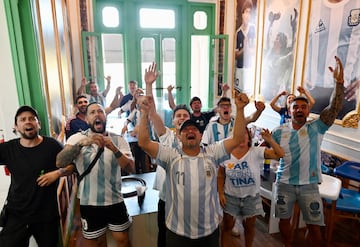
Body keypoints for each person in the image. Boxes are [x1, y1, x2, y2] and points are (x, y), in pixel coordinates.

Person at [138, 91, 249, 247]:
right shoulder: (171, 155)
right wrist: (144, 113)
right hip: (178, 231)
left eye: (194, 129)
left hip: (209, 230)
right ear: (179, 135)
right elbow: (143, 142)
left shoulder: (212, 152)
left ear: (201, 134)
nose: (190, 131)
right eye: (185, 130)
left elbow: (236, 138)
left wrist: (240, 109)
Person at [272, 56, 345, 247]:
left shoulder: (317, 127)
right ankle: (287, 244)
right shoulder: (278, 132)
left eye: (303, 107)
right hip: (284, 183)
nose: (299, 109)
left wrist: (339, 84)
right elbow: (268, 153)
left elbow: (334, 107)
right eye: (295, 106)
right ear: (289, 109)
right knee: (284, 221)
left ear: (307, 110)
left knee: (314, 226)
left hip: (310, 186)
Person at [56, 102, 135, 247]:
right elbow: (60, 161)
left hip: (115, 200)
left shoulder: (118, 139)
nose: (97, 114)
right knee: (95, 243)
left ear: (106, 116)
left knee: (123, 240)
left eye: (100, 111)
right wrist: (82, 144)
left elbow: (130, 168)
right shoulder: (76, 138)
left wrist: (114, 148)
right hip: (89, 202)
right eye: (92, 112)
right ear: (86, 119)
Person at [0, 105, 74, 246]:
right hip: (17, 215)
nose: (28, 121)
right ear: (16, 126)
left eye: (32, 119)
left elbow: (72, 166)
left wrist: (57, 173)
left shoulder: (52, 146)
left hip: (46, 217)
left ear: (38, 124)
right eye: (22, 119)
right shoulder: (8, 149)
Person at [218, 127, 284, 247]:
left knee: (249, 228)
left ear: (249, 137)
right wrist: (220, 193)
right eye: (238, 135)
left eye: (245, 134)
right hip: (231, 197)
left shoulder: (256, 152)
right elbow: (221, 174)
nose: (242, 137)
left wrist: (270, 140)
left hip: (251, 198)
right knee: (227, 227)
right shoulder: (226, 154)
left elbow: (280, 154)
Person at [305, 0, 360, 119]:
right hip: (312, 90)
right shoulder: (310, 5)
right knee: (310, 136)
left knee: (338, 137)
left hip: (345, 93)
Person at [261, 8, 298, 101]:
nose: (275, 40)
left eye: (277, 39)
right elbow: (267, 39)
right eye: (276, 38)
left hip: (279, 88)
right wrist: (270, 23)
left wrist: (294, 29)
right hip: (267, 86)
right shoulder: (270, 52)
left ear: (281, 43)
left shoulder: (285, 55)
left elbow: (294, 47)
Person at [234, 0, 256, 94]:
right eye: (246, 12)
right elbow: (236, 54)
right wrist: (244, 49)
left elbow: (256, 51)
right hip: (240, 68)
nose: (248, 15)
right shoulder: (238, 32)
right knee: (239, 93)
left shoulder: (254, 29)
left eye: (250, 13)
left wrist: (248, 49)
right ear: (242, 13)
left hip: (250, 68)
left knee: (249, 94)